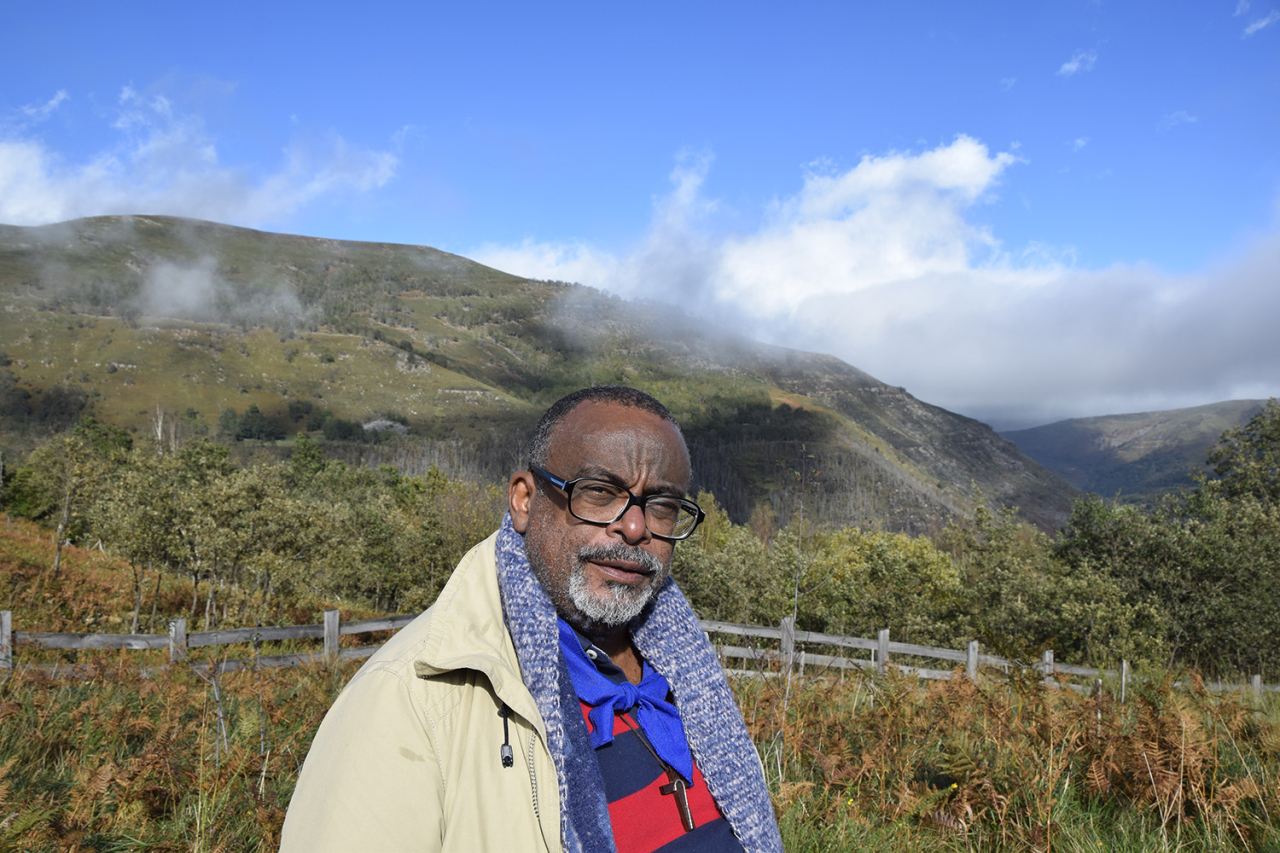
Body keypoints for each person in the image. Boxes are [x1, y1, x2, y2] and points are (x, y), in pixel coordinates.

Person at [280, 386, 781, 853]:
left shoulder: (688, 670)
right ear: (525, 500)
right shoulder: (409, 699)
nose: (634, 527)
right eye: (599, 492)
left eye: (662, 505)